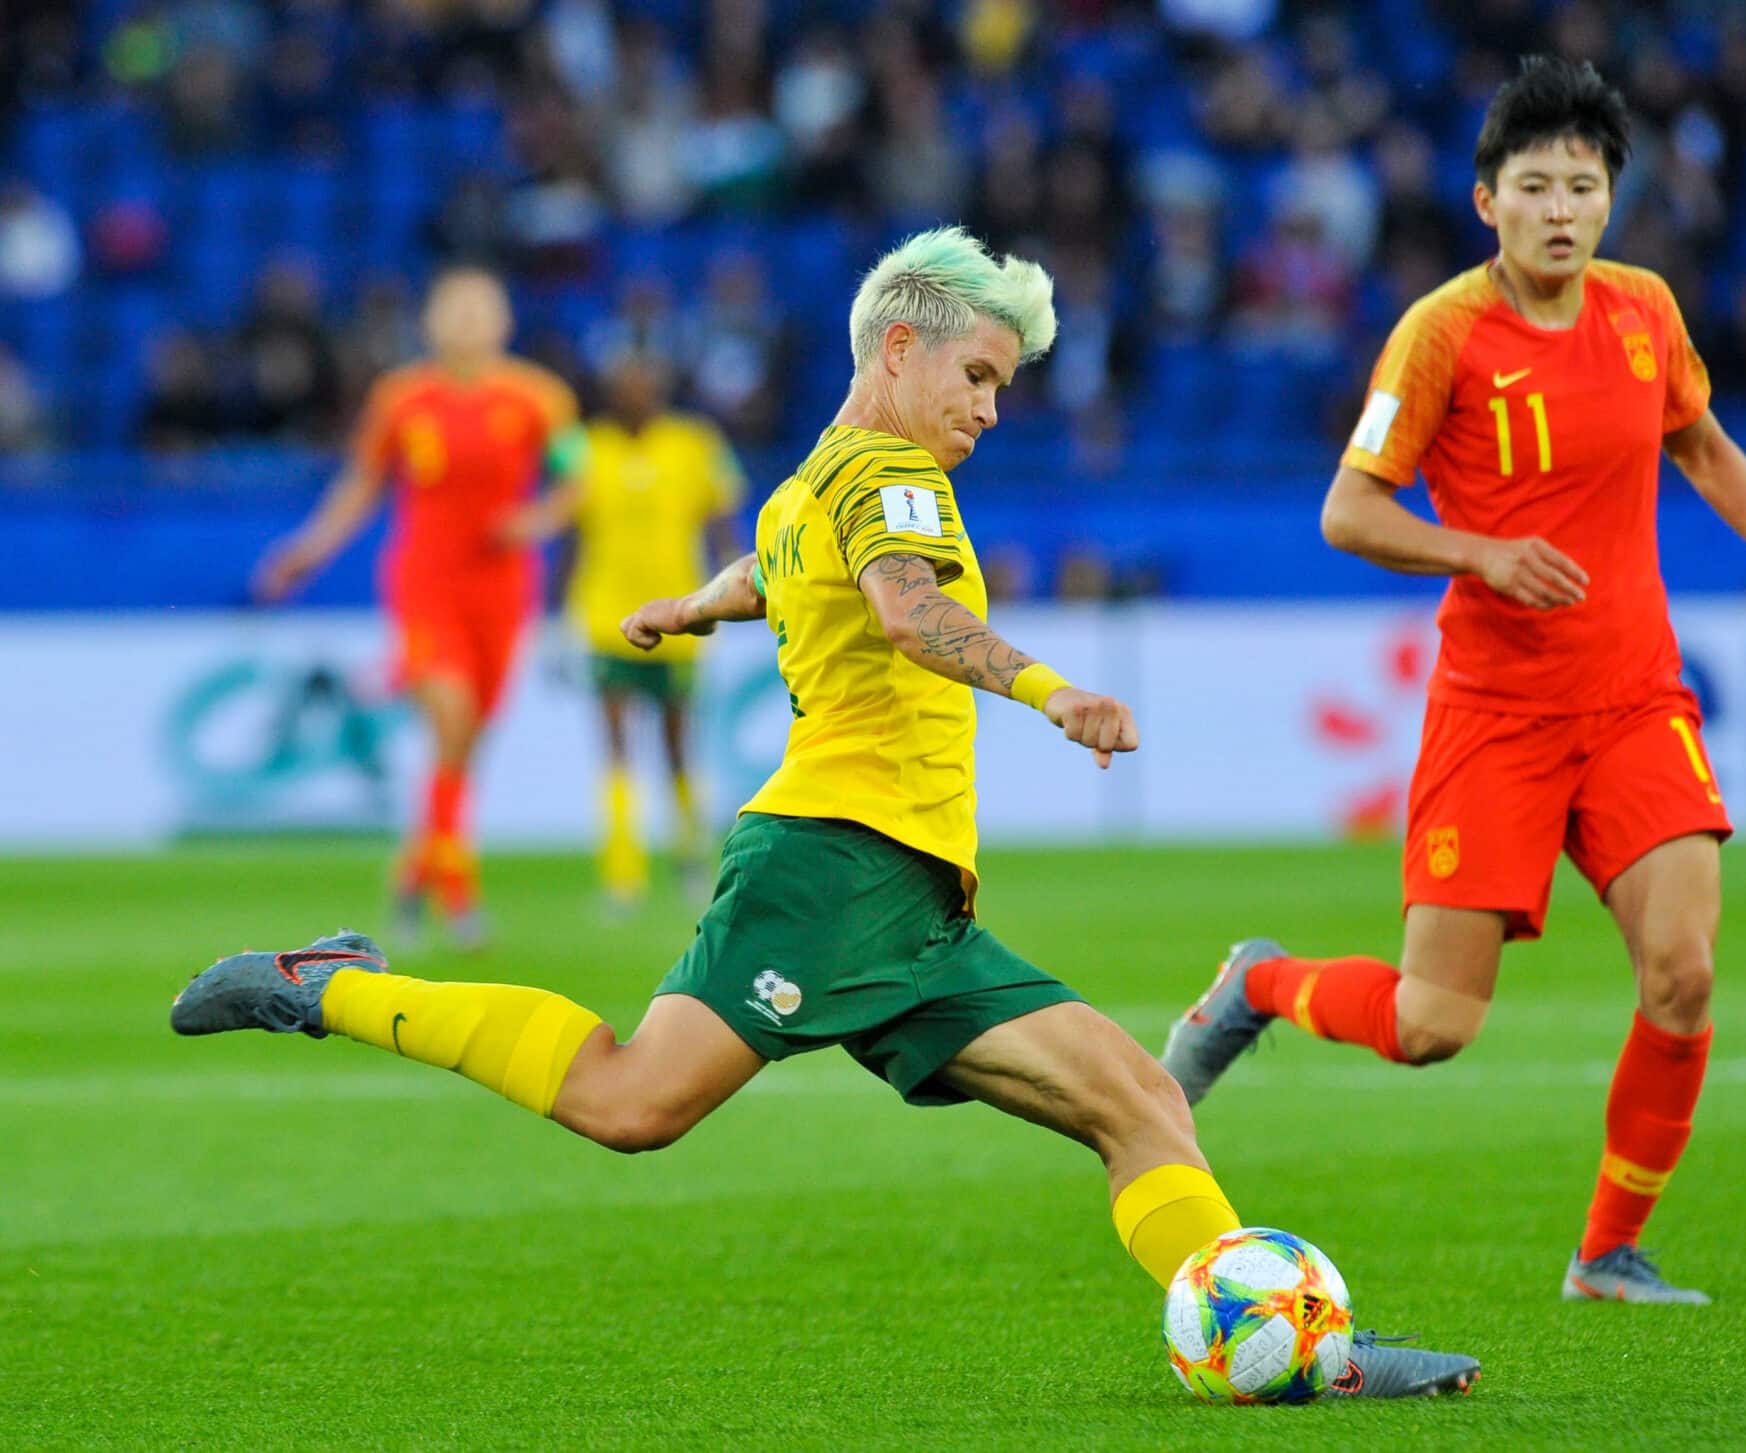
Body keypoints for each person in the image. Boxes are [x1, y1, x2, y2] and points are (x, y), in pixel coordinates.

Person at [174, 228, 1476, 1399]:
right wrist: (1049, 687)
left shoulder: (814, 483)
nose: (987, 407)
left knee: (1139, 1102)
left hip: (912, 904)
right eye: (977, 374)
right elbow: (907, 609)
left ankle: (1307, 1358)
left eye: (1001, 388)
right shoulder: (893, 478)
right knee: (635, 1101)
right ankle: (326, 985)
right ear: (897, 347)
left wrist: (695, 604)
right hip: (830, 867)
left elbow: (784, 568)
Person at [1162, 58, 1746, 1305]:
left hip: (1631, 700)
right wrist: (1478, 550)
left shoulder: (1644, 312)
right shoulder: (1444, 331)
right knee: (1429, 1027)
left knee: (1681, 971)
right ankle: (1259, 983)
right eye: (1534, 186)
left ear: (1609, 197)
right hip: (1495, 714)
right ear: (1484, 201)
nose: (1561, 208)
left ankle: (1606, 1251)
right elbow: (1347, 509)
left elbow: (1703, 446)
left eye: (1583, 184)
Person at [254, 266, 582, 949]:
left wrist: (538, 518)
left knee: (465, 742)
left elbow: (576, 481)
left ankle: (414, 870)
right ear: (431, 320)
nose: (466, 321)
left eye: (479, 308)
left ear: (503, 320)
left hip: (502, 590)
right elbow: (363, 482)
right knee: (452, 716)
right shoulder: (402, 398)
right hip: (426, 583)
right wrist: (309, 548)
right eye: (453, 308)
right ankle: (459, 894)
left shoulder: (540, 398)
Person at [508, 354, 746, 908]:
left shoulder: (695, 443)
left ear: (662, 388)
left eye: (646, 384)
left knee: (678, 744)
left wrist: (737, 589)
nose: (636, 394)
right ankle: (622, 871)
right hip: (605, 617)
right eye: (625, 385)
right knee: (615, 745)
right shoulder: (582, 447)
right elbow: (567, 536)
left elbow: (720, 524)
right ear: (609, 391)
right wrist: (549, 619)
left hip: (682, 615)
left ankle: (690, 857)